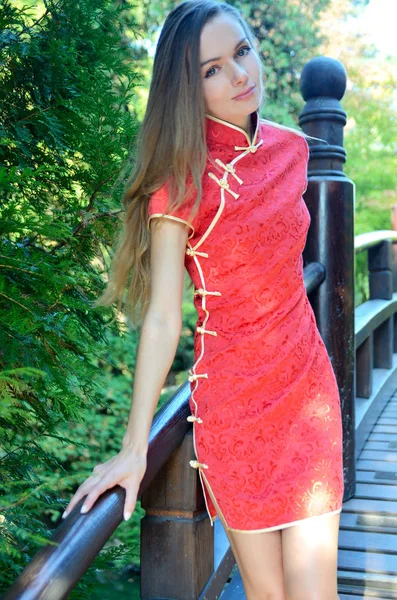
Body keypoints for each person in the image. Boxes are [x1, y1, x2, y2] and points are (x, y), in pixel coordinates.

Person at [62, 1, 344, 598]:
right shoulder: (182, 182)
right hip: (236, 409)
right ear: (186, 88)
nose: (240, 75)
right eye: (212, 69)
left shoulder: (293, 151)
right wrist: (134, 448)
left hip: (306, 392)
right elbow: (165, 317)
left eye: (241, 52)